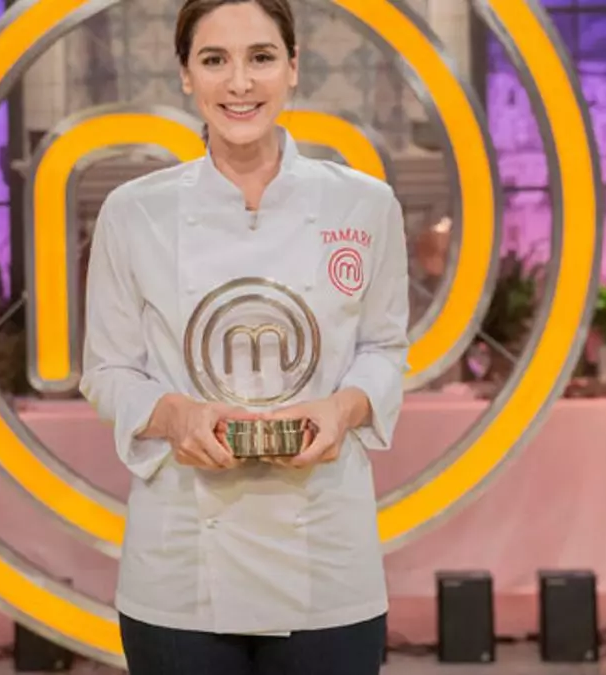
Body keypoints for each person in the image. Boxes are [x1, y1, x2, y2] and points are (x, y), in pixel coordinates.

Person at [77, 0, 410, 671]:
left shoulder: (365, 204)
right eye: (214, 60)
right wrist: (176, 415)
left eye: (261, 57)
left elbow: (384, 349)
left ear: (293, 67)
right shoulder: (134, 211)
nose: (239, 82)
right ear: (185, 75)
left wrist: (341, 409)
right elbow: (107, 371)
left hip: (327, 554)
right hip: (180, 560)